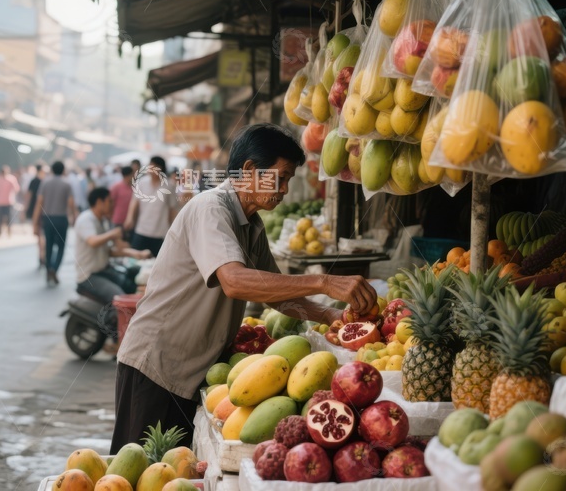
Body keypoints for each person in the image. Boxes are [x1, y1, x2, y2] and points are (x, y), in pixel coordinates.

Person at [110, 124, 378, 452]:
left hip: (191, 372)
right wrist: (324, 281)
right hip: (156, 366)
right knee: (140, 473)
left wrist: (331, 314)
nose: (284, 190)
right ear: (250, 170)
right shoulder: (211, 207)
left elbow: (281, 295)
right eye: (280, 178)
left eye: (289, 181)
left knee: (174, 474)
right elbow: (234, 281)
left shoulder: (252, 225)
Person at [74, 188, 151, 348]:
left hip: (104, 270)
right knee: (120, 299)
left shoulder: (101, 220)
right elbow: (93, 241)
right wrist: (112, 234)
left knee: (131, 285)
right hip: (89, 276)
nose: (112, 205)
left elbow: (107, 250)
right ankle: (117, 343)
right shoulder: (86, 220)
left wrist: (135, 254)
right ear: (99, 202)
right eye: (109, 201)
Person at [33, 161, 77, 285]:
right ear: (63, 170)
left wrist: (35, 222)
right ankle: (55, 268)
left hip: (47, 218)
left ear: (52, 170)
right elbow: (71, 202)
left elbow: (39, 203)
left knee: (49, 245)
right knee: (61, 247)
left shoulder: (45, 183)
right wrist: (74, 216)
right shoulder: (67, 184)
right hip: (62, 219)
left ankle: (48, 269)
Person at [124, 156, 178, 257]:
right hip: (142, 229)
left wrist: (174, 229)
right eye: (150, 165)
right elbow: (134, 202)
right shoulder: (142, 182)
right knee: (135, 260)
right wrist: (129, 218)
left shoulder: (169, 186)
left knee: (158, 262)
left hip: (160, 232)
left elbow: (172, 209)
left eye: (155, 166)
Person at [26, 163, 46, 269]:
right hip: (44, 211)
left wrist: (25, 208)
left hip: (35, 210)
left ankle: (41, 254)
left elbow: (28, 196)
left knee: (39, 235)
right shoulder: (45, 182)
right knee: (43, 235)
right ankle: (43, 255)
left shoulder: (34, 181)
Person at [0, 165, 20, 236]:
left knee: (0, 218)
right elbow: (16, 189)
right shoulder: (11, 179)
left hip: (0, 201)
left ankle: (0, 232)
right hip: (8, 201)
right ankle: (8, 232)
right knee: (9, 218)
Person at [110, 166, 134, 232]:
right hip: (119, 220)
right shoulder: (116, 187)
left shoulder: (134, 187)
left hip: (131, 220)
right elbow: (110, 202)